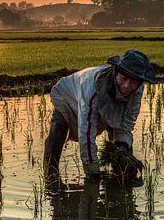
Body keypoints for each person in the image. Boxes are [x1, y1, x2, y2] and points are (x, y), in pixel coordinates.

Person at [43, 49, 156, 178]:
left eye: (134, 82)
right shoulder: (92, 88)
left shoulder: (136, 90)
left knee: (123, 148)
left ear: (140, 83)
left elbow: (126, 123)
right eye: (123, 78)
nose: (126, 86)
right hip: (68, 97)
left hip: (108, 103)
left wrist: (122, 147)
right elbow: (86, 133)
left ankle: (122, 180)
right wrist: (93, 172)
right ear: (115, 72)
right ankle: (50, 175)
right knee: (58, 129)